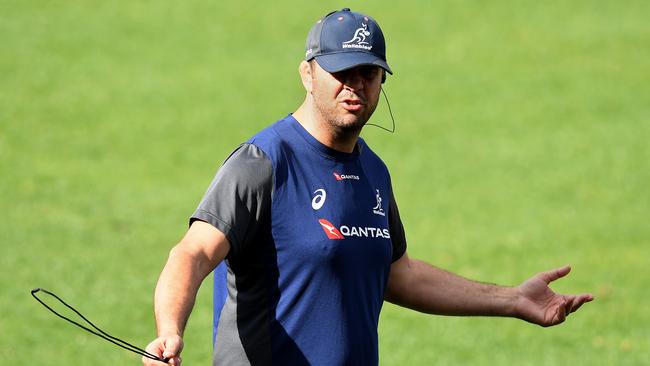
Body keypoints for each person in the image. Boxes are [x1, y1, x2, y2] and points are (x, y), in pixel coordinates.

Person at [143, 8, 594, 366]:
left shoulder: (373, 172)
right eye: (342, 72)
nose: (356, 85)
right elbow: (193, 253)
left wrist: (513, 299)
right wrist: (170, 329)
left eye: (368, 73)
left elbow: (399, 274)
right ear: (307, 73)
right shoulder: (263, 162)